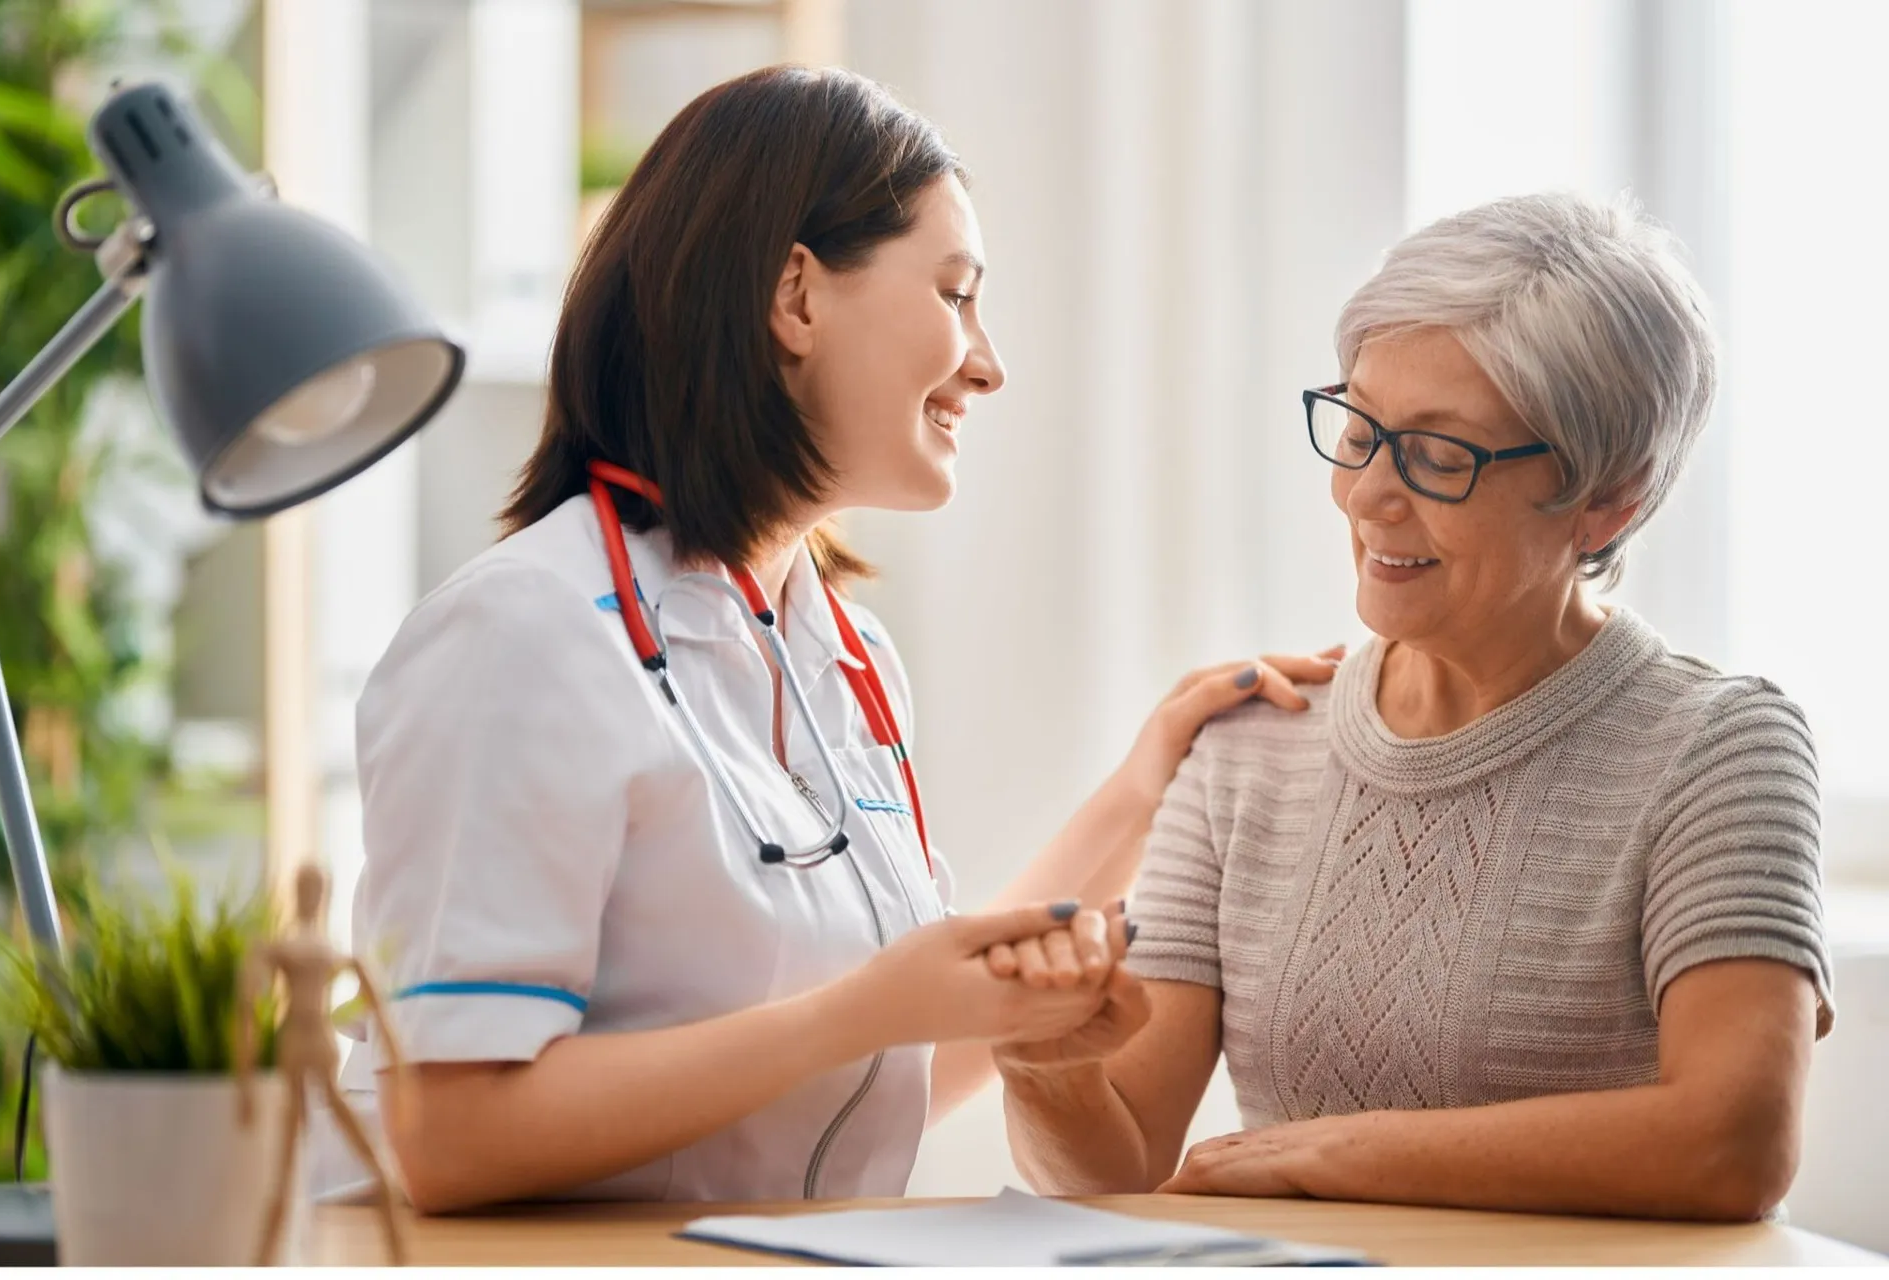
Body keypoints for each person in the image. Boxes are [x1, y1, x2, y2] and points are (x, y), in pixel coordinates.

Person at [315, 65, 1337, 1213]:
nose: (988, 363)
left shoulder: (841, 657)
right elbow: (449, 1134)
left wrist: (1145, 786)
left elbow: (893, 1064)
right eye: (955, 294)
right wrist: (861, 1009)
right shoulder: (522, 635)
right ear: (795, 295)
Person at [996, 192, 1835, 1223]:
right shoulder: (1250, 747)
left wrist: (1337, 1152)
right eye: (1359, 430)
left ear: (1608, 498)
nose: (1367, 497)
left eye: (1439, 457)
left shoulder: (1720, 750)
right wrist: (1040, 1066)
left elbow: (1735, 1144)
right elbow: (1114, 1171)